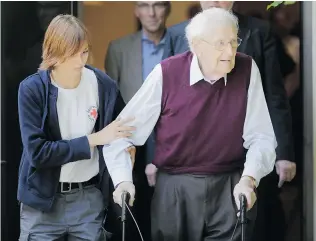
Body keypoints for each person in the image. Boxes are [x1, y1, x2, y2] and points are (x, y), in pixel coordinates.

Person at [103, 8, 277, 241]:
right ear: (196, 45)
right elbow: (121, 134)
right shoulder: (167, 73)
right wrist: (123, 180)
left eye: (234, 41)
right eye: (220, 43)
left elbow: (261, 136)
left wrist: (249, 179)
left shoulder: (247, 69)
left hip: (230, 186)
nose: (230, 51)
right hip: (174, 189)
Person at [17, 14, 135, 240]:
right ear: (54, 54)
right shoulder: (32, 89)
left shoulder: (103, 85)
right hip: (43, 203)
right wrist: (93, 139)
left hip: (87, 199)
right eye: (72, 54)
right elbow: (38, 153)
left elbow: (121, 133)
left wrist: (126, 166)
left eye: (84, 52)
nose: (80, 61)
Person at [105, 2, 171, 240]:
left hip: (170, 138)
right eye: (144, 5)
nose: (152, 13)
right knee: (133, 203)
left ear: (168, 8)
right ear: (136, 11)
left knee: (166, 205)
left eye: (158, 5)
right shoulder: (119, 48)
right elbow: (111, 101)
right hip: (132, 138)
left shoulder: (180, 43)